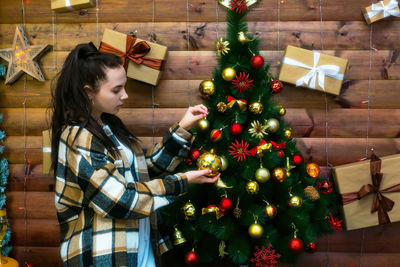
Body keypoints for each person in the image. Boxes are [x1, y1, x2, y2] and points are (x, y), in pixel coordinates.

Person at [51, 42, 219, 267]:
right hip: (106, 256)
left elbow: (143, 173)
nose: (125, 95)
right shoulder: (78, 137)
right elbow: (121, 200)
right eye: (116, 89)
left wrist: (183, 128)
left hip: (138, 247)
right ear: (88, 92)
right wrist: (183, 181)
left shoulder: (109, 127)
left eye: (124, 87)